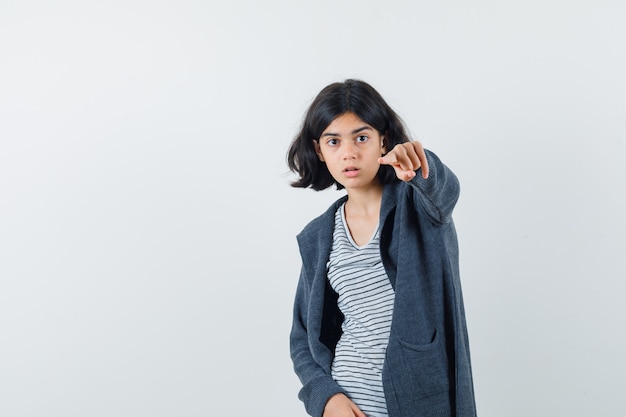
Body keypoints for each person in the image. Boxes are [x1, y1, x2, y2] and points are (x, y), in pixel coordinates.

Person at [287, 79, 477, 417]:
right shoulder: (317, 237)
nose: (349, 152)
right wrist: (326, 397)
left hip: (419, 401)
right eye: (334, 141)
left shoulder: (419, 205)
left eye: (362, 138)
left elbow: (446, 191)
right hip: (345, 404)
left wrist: (420, 166)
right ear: (319, 151)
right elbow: (302, 337)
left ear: (383, 140)